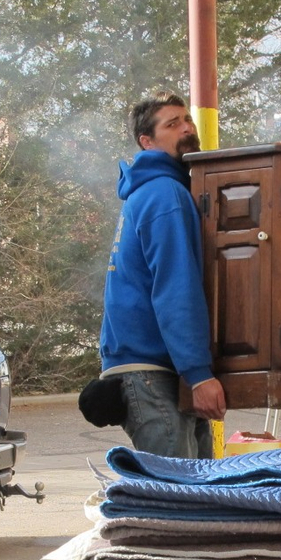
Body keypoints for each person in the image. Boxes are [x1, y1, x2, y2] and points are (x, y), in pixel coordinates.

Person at [97, 93, 226, 458]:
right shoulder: (164, 194)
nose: (186, 128)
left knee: (193, 500)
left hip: (153, 367)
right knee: (176, 502)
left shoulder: (148, 193)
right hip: (152, 373)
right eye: (172, 124)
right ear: (147, 141)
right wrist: (199, 374)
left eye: (187, 120)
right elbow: (175, 288)